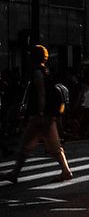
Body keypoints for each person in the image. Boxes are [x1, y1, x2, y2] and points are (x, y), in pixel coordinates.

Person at [1, 46, 73, 184]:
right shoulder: (46, 71)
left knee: (25, 145)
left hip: (40, 116)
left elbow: (41, 93)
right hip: (48, 116)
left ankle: (15, 173)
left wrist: (39, 112)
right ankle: (65, 170)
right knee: (54, 146)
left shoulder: (37, 73)